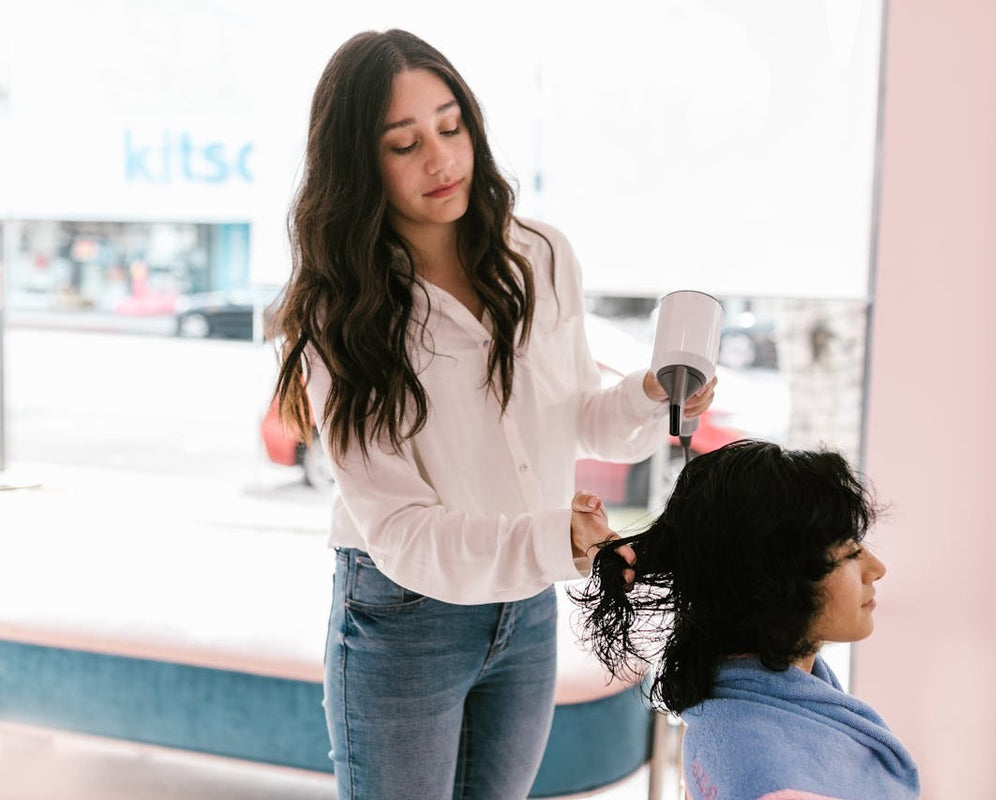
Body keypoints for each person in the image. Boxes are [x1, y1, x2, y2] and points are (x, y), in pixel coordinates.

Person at [269, 29, 715, 800]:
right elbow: (402, 529)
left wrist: (651, 393)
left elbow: (580, 415)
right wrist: (555, 536)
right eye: (404, 144)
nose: (442, 161)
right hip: (403, 616)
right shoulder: (340, 317)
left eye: (451, 127)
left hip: (527, 606)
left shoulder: (539, 255)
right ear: (358, 166)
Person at [572, 439, 920, 800]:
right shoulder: (774, 782)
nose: (877, 569)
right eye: (850, 552)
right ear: (776, 582)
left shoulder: (723, 699)